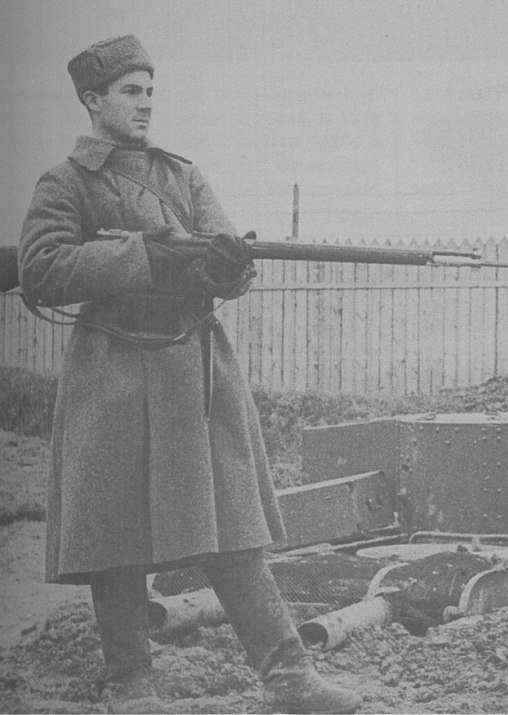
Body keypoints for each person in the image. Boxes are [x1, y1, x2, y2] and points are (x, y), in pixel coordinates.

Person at [18, 35, 362, 714]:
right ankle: (130, 684)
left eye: (150, 91)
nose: (145, 103)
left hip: (194, 373)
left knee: (232, 528)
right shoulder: (66, 182)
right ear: (92, 100)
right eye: (130, 91)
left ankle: (290, 677)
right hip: (113, 373)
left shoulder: (183, 176)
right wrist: (141, 255)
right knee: (116, 534)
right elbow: (41, 269)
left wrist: (226, 268)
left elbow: (223, 255)